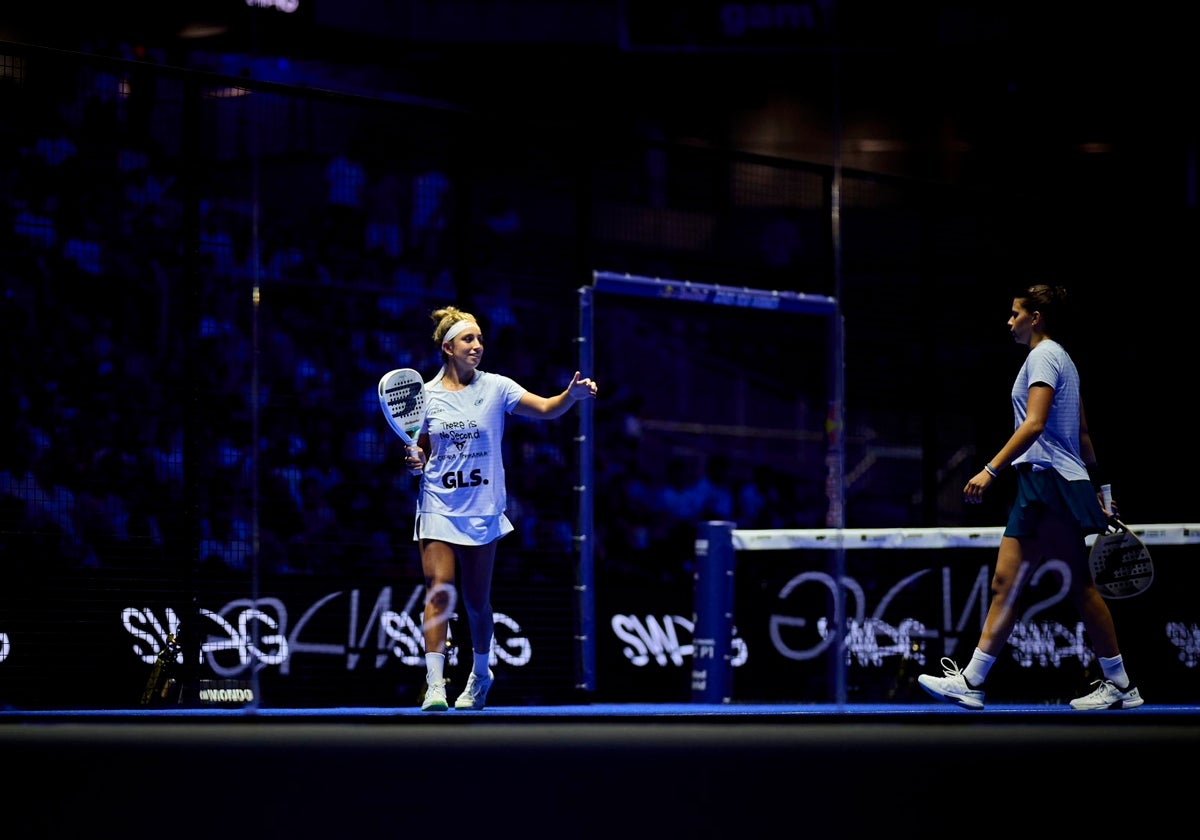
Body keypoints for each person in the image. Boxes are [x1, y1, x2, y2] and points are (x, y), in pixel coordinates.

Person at [917, 284, 1142, 711]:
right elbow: (1084, 435)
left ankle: (1121, 685)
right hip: (1044, 483)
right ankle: (973, 680)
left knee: (1079, 586)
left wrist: (989, 469)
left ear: (1035, 317)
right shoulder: (1065, 361)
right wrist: (1103, 491)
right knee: (1007, 582)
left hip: (1050, 480)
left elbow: (1035, 425)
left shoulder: (1044, 356)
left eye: (1014, 314)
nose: (1009, 321)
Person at [404, 306, 598, 711]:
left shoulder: (497, 387)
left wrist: (572, 396)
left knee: (476, 602)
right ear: (448, 347)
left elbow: (546, 408)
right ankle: (436, 686)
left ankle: (479, 675)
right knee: (439, 591)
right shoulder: (426, 395)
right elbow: (422, 448)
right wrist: (416, 459)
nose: (478, 345)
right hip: (438, 502)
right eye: (468, 340)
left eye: (478, 338)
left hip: (482, 508)